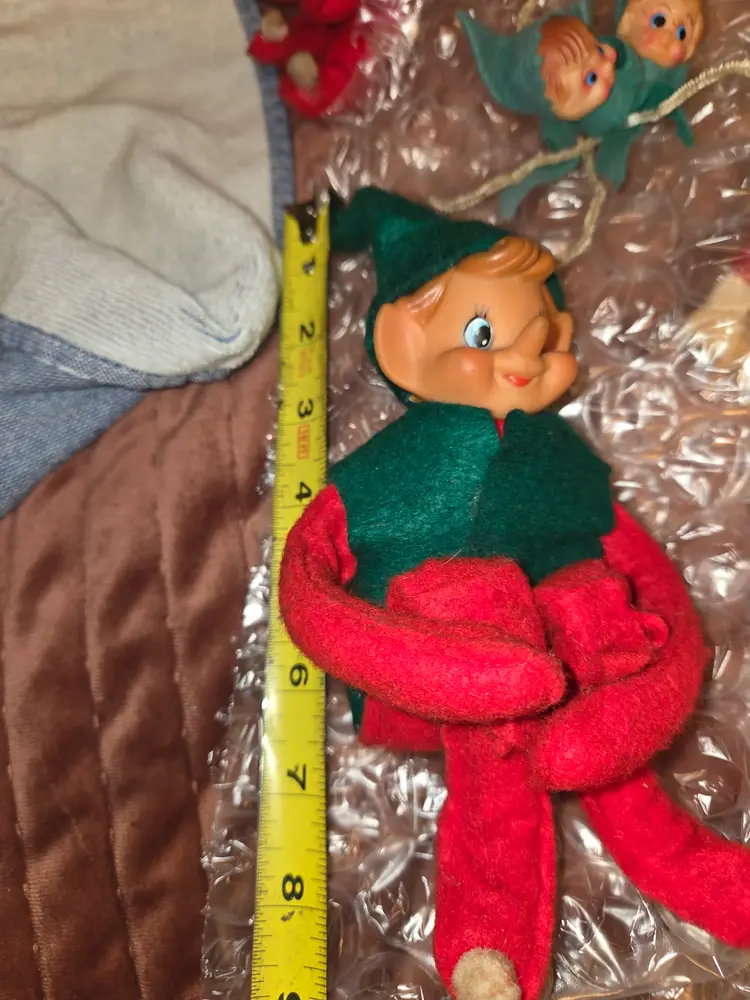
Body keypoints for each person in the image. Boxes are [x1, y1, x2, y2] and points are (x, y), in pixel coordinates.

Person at [279, 188, 750, 1000]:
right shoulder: (387, 473)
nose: (521, 361)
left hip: (573, 689)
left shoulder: (559, 462)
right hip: (427, 683)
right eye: (483, 336)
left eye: (542, 340)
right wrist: (437, 668)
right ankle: (487, 936)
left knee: (589, 599)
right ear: (402, 342)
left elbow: (654, 586)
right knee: (477, 602)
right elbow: (308, 588)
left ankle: (692, 868)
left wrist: (647, 691)